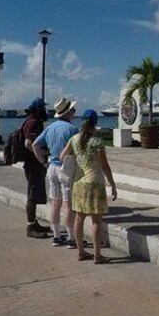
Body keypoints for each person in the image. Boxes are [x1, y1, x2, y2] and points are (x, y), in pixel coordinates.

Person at [60, 109, 118, 264]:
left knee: (79, 219)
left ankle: (81, 252)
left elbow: (62, 156)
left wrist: (77, 159)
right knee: (96, 221)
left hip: (79, 183)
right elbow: (104, 166)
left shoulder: (74, 139)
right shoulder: (97, 141)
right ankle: (97, 256)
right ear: (95, 123)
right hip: (95, 183)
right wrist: (112, 184)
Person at [32, 97, 79, 248]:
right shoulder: (72, 129)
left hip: (51, 167)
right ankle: (71, 238)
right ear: (67, 113)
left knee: (55, 204)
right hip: (66, 168)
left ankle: (57, 236)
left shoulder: (50, 128)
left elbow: (35, 145)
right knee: (68, 205)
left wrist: (43, 162)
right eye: (73, 110)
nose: (74, 112)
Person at [21, 98, 52, 238]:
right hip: (33, 164)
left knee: (34, 193)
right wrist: (41, 154)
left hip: (34, 163)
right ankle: (30, 227)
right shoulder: (33, 123)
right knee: (32, 195)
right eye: (43, 108)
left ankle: (33, 223)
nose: (45, 111)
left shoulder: (32, 121)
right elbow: (28, 143)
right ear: (38, 109)